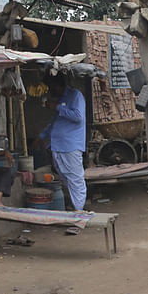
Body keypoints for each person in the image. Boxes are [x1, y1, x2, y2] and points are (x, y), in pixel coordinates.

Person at [37, 82, 88, 222]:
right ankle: (76, 207)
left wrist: (57, 107)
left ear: (59, 85)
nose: (50, 92)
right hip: (57, 146)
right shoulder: (59, 98)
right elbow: (55, 121)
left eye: (52, 88)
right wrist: (42, 137)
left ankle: (79, 213)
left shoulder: (75, 95)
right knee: (65, 177)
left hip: (70, 145)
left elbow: (78, 117)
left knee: (76, 178)